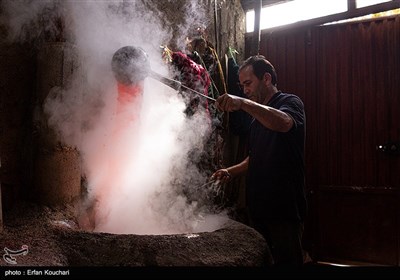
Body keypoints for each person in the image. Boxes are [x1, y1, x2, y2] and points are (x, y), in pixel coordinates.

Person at [211, 55, 307, 267]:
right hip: (258, 208)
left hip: (284, 209)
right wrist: (231, 171)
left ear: (266, 78)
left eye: (248, 83)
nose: (245, 90)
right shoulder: (256, 120)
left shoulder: (290, 102)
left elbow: (283, 123)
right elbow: (256, 157)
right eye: (242, 86)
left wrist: (243, 104)